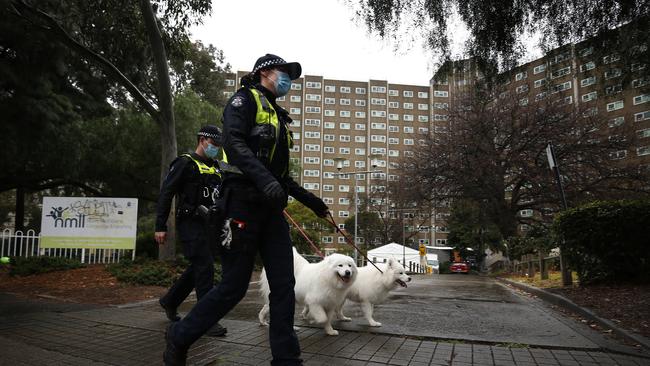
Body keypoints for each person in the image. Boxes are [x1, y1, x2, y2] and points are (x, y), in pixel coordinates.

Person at [163, 54, 329, 366]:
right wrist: (265, 180)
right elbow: (233, 143)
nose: (288, 81)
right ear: (265, 72)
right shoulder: (244, 101)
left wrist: (312, 202)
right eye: (284, 73)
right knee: (233, 287)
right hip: (239, 204)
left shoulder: (277, 115)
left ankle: (286, 358)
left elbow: (281, 176)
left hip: (270, 210)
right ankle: (180, 335)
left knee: (284, 285)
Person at [155, 125, 227, 337]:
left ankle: (170, 301)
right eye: (213, 144)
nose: (216, 148)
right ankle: (205, 321)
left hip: (210, 226)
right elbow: (166, 194)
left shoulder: (217, 167)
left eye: (218, 146)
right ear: (202, 140)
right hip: (190, 224)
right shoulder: (184, 163)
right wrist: (160, 226)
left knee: (198, 268)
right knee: (205, 268)